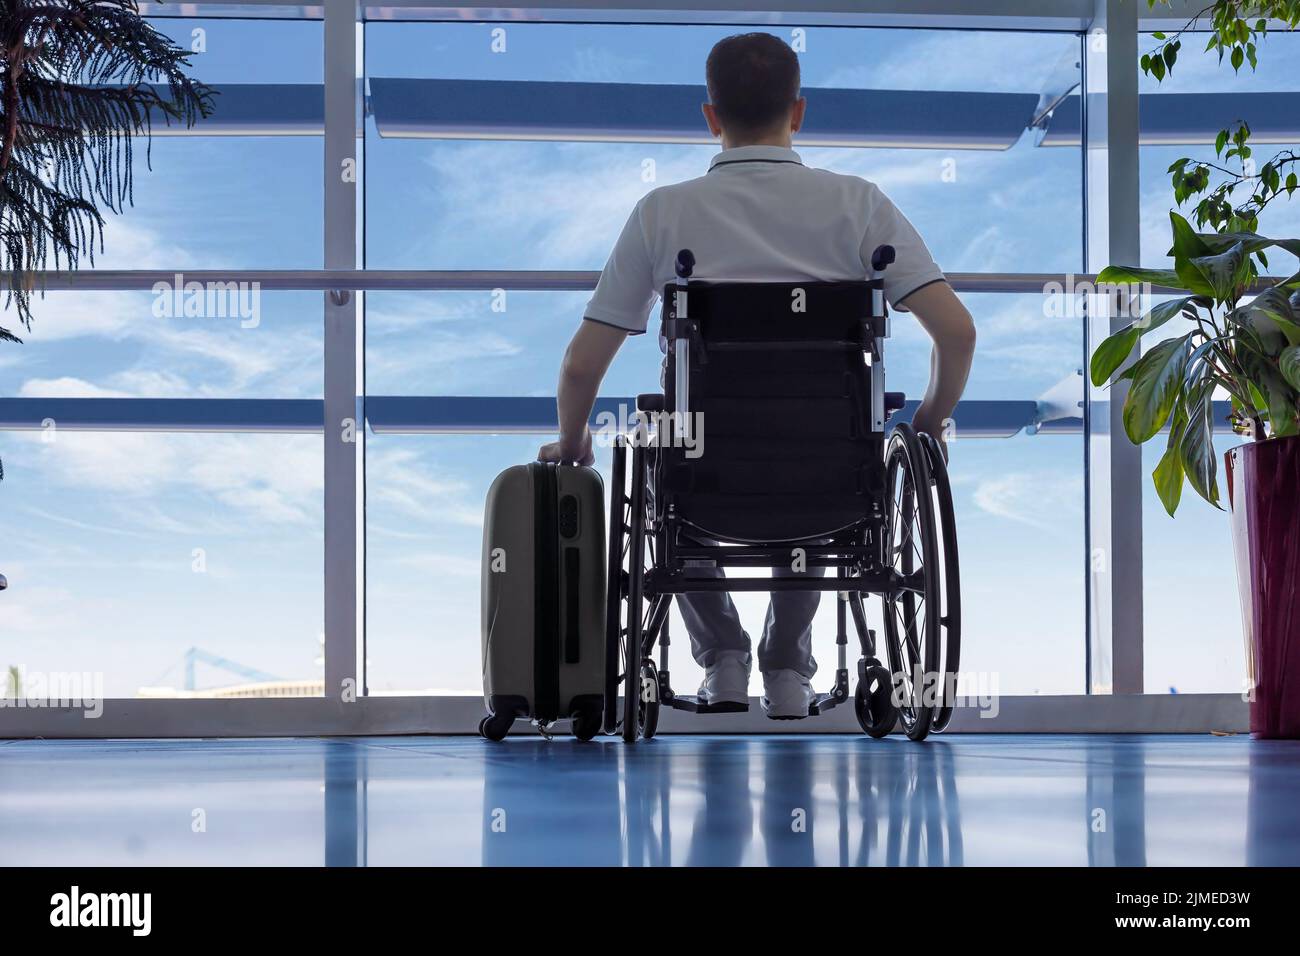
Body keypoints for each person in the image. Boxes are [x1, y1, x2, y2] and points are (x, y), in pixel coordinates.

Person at [537, 32, 976, 718]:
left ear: (711, 117)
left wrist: (572, 443)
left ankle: (725, 659)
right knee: (825, 446)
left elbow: (581, 363)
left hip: (706, 486)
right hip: (834, 486)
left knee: (669, 456)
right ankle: (786, 668)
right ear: (797, 112)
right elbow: (957, 331)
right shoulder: (861, 205)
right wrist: (927, 423)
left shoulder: (663, 213)